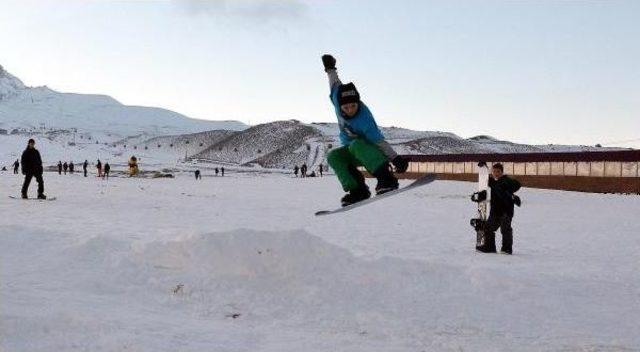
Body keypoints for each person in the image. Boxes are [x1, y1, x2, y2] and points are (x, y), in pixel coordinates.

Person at [321, 54, 408, 206]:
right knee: (333, 156)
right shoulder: (337, 98)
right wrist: (330, 68)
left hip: (373, 153)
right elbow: (334, 83)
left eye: (353, 106)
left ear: (358, 103)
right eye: (346, 107)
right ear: (339, 106)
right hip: (354, 151)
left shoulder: (365, 119)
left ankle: (386, 179)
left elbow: (379, 142)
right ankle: (358, 190)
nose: (350, 110)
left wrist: (395, 159)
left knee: (356, 144)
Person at [476, 163, 522, 254]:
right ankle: (489, 247)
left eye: (498, 172)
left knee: (505, 229)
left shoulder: (506, 181)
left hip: (506, 211)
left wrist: (510, 193)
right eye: (494, 171)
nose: (496, 173)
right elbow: (488, 180)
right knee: (488, 228)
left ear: (502, 172)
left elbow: (517, 184)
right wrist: (484, 168)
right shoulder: (495, 182)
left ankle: (507, 249)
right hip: (496, 211)